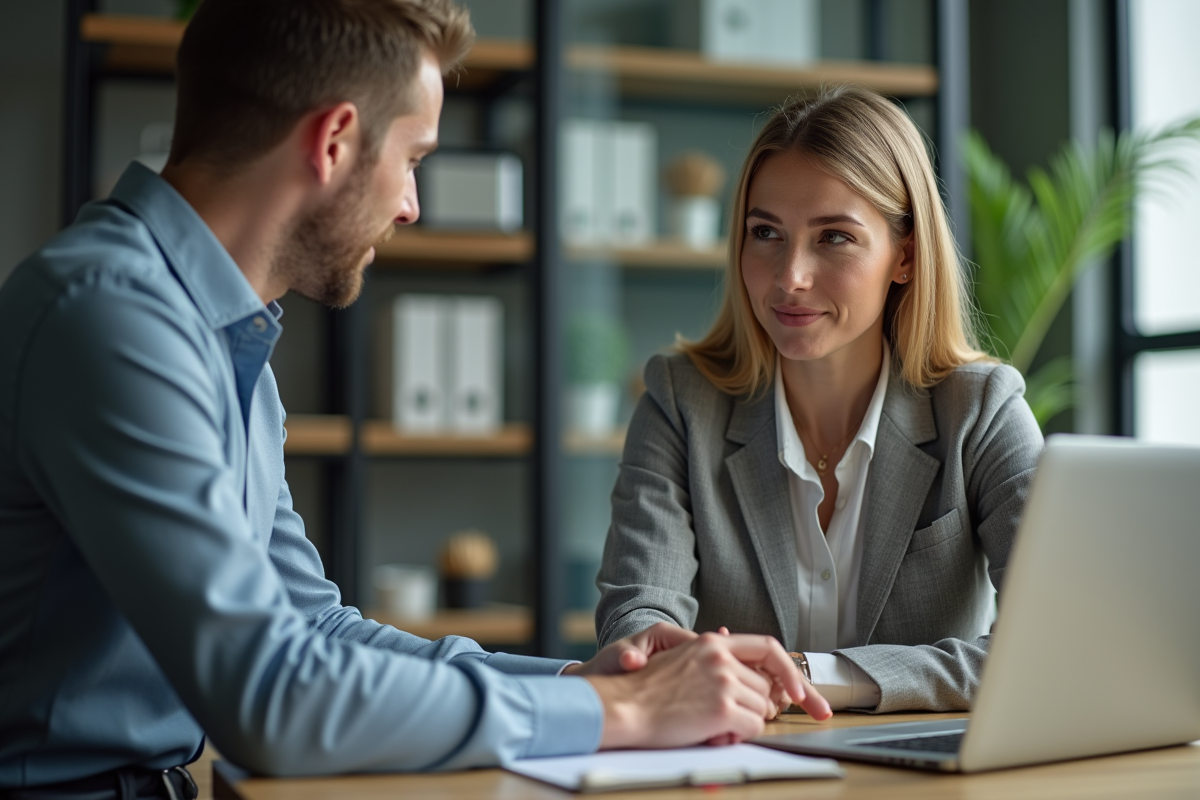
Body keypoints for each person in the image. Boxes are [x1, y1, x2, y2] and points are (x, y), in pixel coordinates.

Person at [0, 0, 831, 794]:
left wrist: (580, 679)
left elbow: (313, 632)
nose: (411, 204)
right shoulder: (113, 318)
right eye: (414, 158)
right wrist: (621, 711)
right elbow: (273, 699)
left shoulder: (213, 330)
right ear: (334, 140)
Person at [595, 86, 1044, 715]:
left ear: (905, 256)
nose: (789, 277)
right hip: (739, 767)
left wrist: (808, 675)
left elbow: (1046, 646)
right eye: (766, 232)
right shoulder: (680, 401)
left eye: (833, 237)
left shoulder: (981, 411)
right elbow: (639, 610)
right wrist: (657, 654)